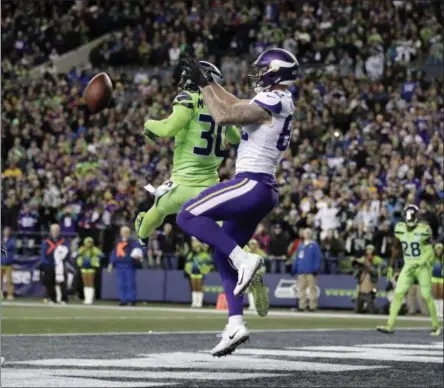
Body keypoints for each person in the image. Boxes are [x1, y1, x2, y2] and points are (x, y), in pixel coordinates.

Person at [177, 48, 298, 356]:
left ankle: (246, 261)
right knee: (221, 254)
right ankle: (235, 324)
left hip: (251, 184)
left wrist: (204, 85)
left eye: (262, 69)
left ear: (275, 71)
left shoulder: (274, 100)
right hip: (262, 190)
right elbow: (233, 103)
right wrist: (210, 81)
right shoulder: (277, 100)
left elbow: (223, 115)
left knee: (187, 215)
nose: (257, 75)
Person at [134, 61, 240, 246]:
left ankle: (142, 236)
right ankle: (248, 258)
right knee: (227, 231)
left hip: (180, 186)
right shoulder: (220, 106)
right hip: (208, 187)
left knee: (159, 208)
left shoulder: (189, 98)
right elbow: (235, 138)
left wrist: (148, 124)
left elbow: (168, 129)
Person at [377, 205, 441, 335]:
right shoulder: (400, 229)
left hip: (422, 266)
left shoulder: (424, 229)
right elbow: (396, 248)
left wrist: (420, 262)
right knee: (398, 293)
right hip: (408, 265)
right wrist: (391, 266)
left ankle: (435, 326)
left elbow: (430, 251)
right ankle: (390, 325)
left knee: (426, 295)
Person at [108, 226, 143, 306]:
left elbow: (138, 251)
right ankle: (123, 300)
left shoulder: (133, 242)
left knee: (130, 283)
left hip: (129, 265)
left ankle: (132, 300)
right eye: (123, 232)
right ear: (121, 233)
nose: (125, 234)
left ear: (129, 233)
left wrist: (138, 256)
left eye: (126, 232)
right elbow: (114, 253)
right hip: (119, 265)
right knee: (121, 283)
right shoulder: (118, 242)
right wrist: (111, 263)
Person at [291, 229, 322, 312]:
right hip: (301, 270)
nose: (307, 234)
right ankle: (302, 306)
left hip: (311, 271)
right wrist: (294, 268)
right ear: (303, 234)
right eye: (305, 233)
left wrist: (316, 268)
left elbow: (318, 258)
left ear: (311, 234)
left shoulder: (314, 245)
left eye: (308, 233)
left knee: (312, 289)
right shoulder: (300, 245)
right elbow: (297, 258)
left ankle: (312, 306)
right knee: (301, 289)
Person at [40, 224, 70, 304]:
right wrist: (44, 263)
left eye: (57, 230)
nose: (55, 232)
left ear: (59, 231)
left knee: (62, 282)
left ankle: (64, 299)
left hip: (60, 264)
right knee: (50, 282)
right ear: (50, 231)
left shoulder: (63, 240)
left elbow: (67, 251)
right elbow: (43, 253)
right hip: (50, 264)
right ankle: (52, 299)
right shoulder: (46, 241)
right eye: (53, 230)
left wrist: (64, 259)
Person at [353, 244, 383, 314]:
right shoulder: (364, 258)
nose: (369, 251)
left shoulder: (376, 259)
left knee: (372, 295)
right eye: (368, 249)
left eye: (370, 250)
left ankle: (371, 308)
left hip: (373, 279)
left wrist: (371, 264)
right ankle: (360, 305)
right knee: (359, 292)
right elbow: (359, 262)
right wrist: (359, 262)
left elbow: (382, 264)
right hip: (364, 278)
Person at [184, 238, 213, 308]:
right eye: (195, 247)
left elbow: (209, 264)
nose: (196, 248)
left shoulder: (205, 255)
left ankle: (199, 303)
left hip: (200, 273)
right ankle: (194, 302)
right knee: (193, 287)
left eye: (198, 247)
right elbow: (187, 263)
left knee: (199, 287)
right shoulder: (191, 255)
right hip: (193, 273)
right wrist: (188, 271)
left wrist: (204, 270)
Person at [76, 237, 104, 305]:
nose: (89, 243)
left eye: (90, 242)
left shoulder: (94, 249)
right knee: (85, 283)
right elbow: (77, 254)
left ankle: (90, 299)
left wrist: (95, 258)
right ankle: (86, 298)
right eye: (88, 242)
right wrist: (83, 250)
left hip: (91, 268)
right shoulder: (82, 248)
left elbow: (101, 255)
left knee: (90, 282)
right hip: (83, 268)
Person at [245, 239, 267, 312]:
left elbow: (264, 263)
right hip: (249, 273)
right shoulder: (247, 253)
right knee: (250, 290)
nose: (252, 246)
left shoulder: (260, 253)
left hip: (257, 273)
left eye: (254, 244)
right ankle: (252, 305)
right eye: (251, 244)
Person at [1, 227, 16, 300]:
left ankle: (10, 294)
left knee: (9, 280)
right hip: (1, 262)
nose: (6, 233)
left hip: (8, 263)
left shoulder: (12, 240)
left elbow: (10, 247)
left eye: (8, 231)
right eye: (5, 231)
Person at [432, 243, 443, 318]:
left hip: (442, 278)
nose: (438, 250)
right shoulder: (432, 258)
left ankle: (441, 312)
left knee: (441, 295)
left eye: (440, 249)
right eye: (437, 249)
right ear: (435, 250)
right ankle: (436, 312)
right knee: (435, 295)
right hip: (434, 278)